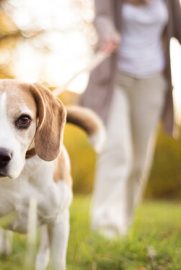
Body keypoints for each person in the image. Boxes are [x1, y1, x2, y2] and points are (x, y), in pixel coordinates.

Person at [80, 0, 181, 238]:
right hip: (115, 78)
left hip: (152, 81)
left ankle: (121, 224)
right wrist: (108, 33)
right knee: (116, 149)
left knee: (138, 161)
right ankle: (105, 226)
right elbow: (102, 17)